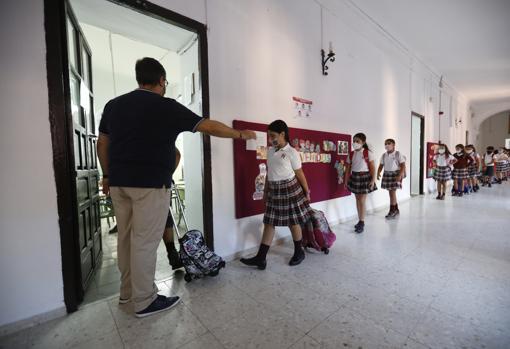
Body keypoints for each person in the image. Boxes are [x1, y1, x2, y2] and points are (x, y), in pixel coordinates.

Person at [97, 57, 256, 318]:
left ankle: (127, 294)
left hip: (118, 184)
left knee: (125, 240)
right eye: (165, 82)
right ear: (161, 80)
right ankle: (145, 301)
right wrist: (240, 134)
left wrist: (106, 175)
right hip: (150, 184)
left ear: (140, 78)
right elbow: (208, 125)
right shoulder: (166, 106)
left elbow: (102, 144)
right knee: (145, 242)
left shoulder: (113, 106)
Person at [240, 120, 311, 269]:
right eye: (269, 136)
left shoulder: (292, 152)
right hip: (274, 190)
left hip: (289, 188)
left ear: (282, 134)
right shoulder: (271, 151)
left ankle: (299, 252)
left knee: (293, 222)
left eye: (273, 135)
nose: (270, 138)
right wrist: (265, 192)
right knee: (269, 223)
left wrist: (307, 191)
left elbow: (300, 174)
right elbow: (269, 173)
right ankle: (261, 258)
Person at [344, 133, 377, 233]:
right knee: (358, 200)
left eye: (357, 141)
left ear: (363, 142)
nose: (355, 143)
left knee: (362, 201)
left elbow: (372, 168)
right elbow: (348, 169)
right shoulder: (351, 154)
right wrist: (346, 181)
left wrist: (372, 180)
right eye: (354, 141)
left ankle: (362, 222)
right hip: (354, 177)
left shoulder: (367, 153)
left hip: (364, 177)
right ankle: (360, 220)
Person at [163, 148, 183, 270]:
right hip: (164, 183)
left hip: (140, 185)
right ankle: (172, 254)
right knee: (167, 220)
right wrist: (167, 174)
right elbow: (177, 154)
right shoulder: (162, 136)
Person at [377, 138, 406, 218]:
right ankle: (396, 209)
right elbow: (381, 165)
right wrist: (378, 172)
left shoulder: (397, 154)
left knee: (392, 193)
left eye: (389, 143)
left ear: (393, 145)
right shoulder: (384, 155)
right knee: (391, 193)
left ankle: (392, 210)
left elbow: (403, 165)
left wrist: (400, 175)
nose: (387, 145)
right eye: (385, 144)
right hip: (387, 174)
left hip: (395, 174)